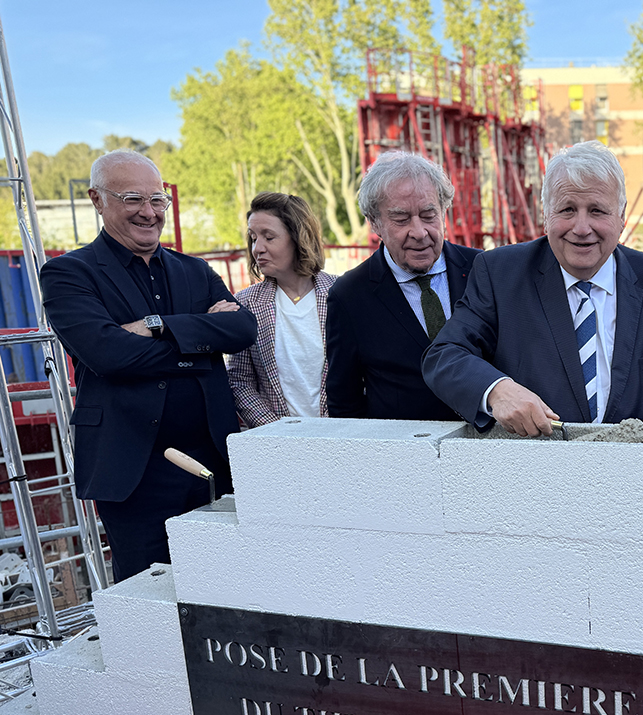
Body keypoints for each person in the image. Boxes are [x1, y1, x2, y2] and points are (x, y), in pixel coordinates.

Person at [41, 149, 256, 583]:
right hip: (132, 473)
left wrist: (156, 325)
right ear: (97, 199)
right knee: (149, 597)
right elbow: (108, 355)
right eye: (133, 199)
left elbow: (241, 329)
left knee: (227, 588)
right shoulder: (69, 273)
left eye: (158, 200)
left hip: (212, 463)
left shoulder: (195, 270)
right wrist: (200, 343)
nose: (149, 212)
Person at [422, 140, 643, 436]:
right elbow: (444, 356)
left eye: (597, 211)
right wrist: (497, 391)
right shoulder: (500, 275)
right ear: (545, 214)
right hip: (536, 460)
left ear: (622, 216)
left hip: (640, 460)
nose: (582, 228)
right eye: (567, 209)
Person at [324, 151, 480, 419]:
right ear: (374, 223)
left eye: (428, 215)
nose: (419, 232)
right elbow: (344, 403)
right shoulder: (349, 295)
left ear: (444, 211)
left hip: (487, 439)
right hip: (403, 444)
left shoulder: (483, 270)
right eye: (401, 219)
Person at [227, 192, 336, 427]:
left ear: (298, 238)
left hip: (341, 435)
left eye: (269, 237)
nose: (257, 248)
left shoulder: (341, 294)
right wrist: (276, 430)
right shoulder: (246, 304)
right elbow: (239, 380)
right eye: (253, 238)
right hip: (276, 439)